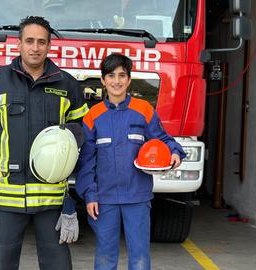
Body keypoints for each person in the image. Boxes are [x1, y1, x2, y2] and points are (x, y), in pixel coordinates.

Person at [0, 16, 89, 270]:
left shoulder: (67, 84)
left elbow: (81, 134)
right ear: (19, 44)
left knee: (58, 265)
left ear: (49, 46)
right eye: (30, 41)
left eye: (41, 42)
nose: (35, 48)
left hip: (52, 198)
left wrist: (76, 185)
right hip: (6, 195)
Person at [75, 53, 186, 270]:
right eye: (111, 76)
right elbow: (86, 161)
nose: (116, 81)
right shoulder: (93, 115)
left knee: (140, 256)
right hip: (104, 198)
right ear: (103, 80)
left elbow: (162, 138)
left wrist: (175, 152)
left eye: (122, 75)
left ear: (129, 79)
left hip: (137, 197)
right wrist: (90, 195)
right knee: (106, 256)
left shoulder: (143, 110)